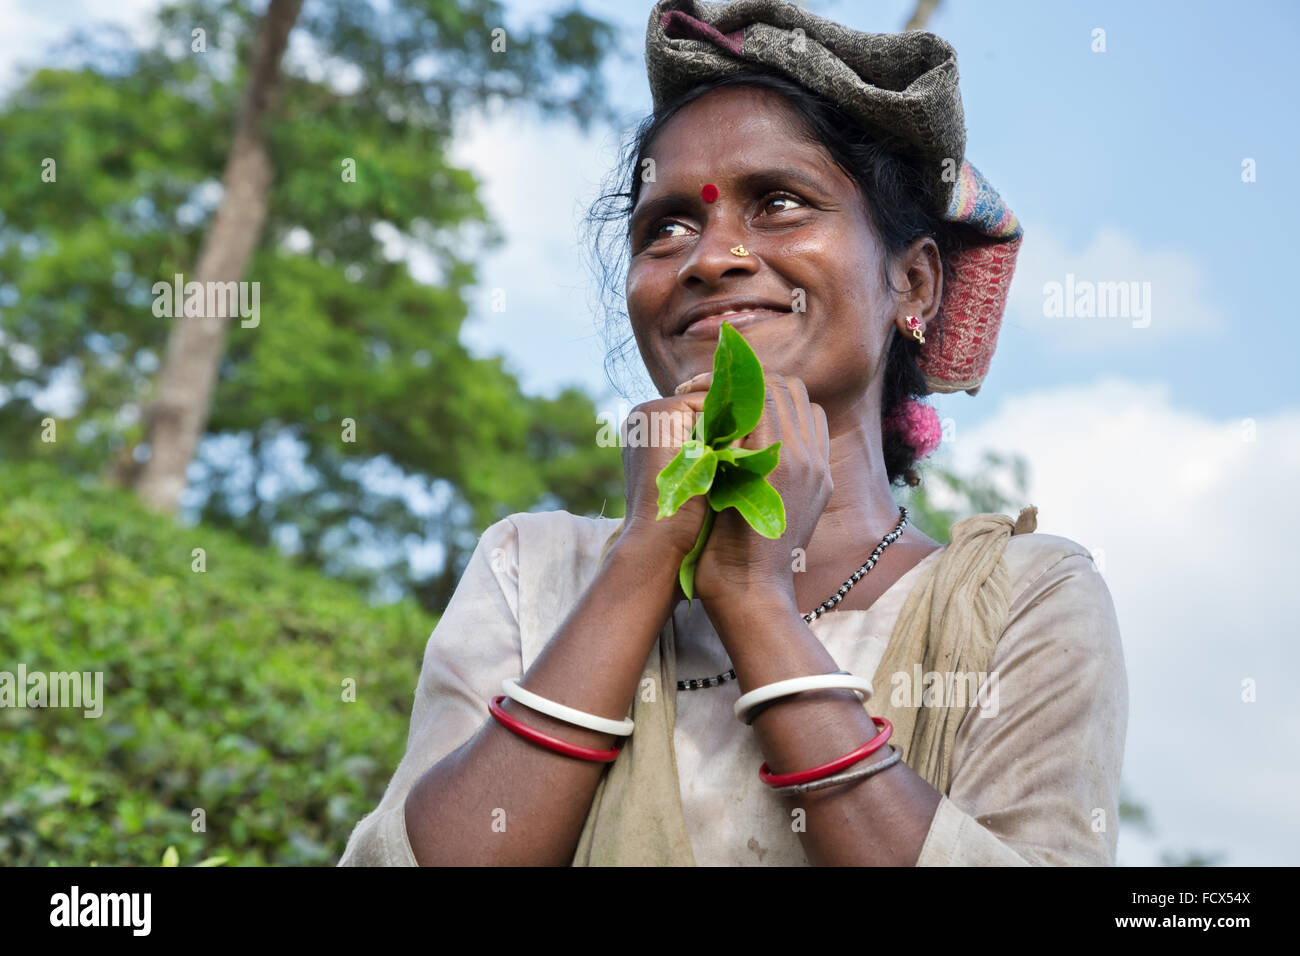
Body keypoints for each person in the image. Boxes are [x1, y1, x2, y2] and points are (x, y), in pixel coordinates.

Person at [339, 0, 1128, 867]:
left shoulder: (1025, 600)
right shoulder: (531, 569)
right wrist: (645, 558)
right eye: (666, 226)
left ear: (914, 283)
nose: (709, 257)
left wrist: (755, 600)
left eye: (781, 203)